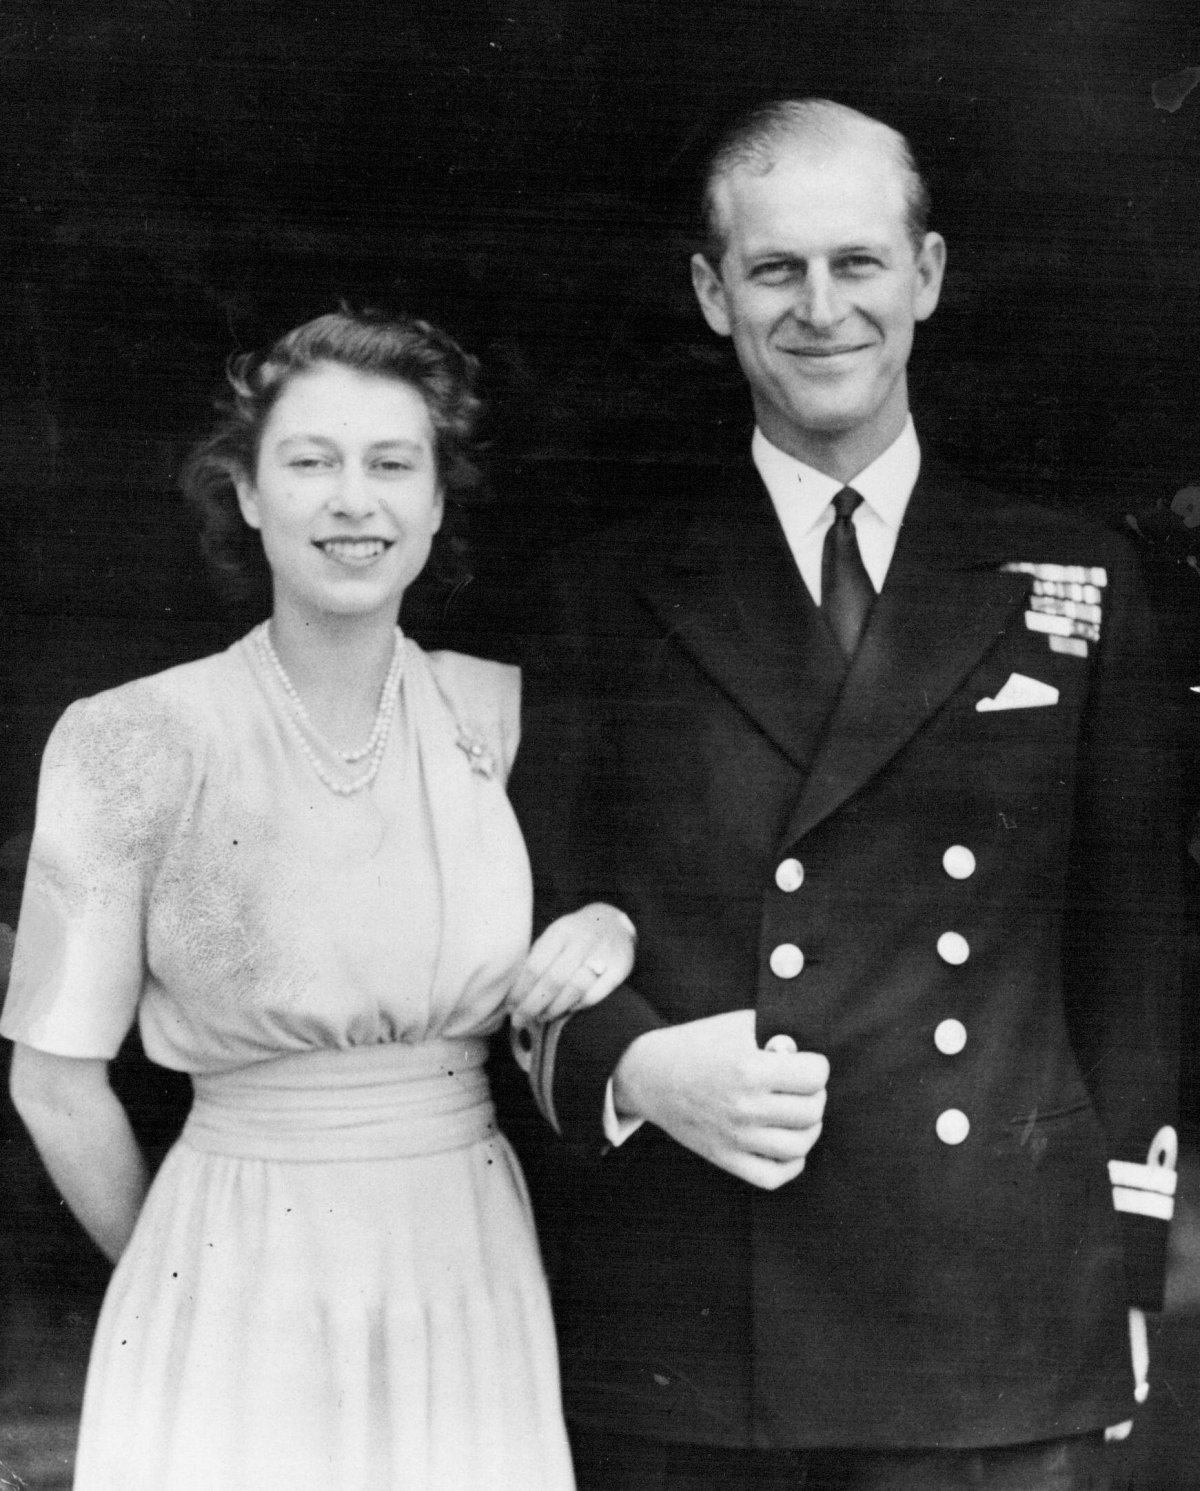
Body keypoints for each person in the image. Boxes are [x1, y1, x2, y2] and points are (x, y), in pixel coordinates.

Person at [511, 100, 1181, 1490]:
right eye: (776, 269)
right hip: (702, 1310)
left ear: (924, 276)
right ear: (714, 294)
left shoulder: (1078, 578)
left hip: (991, 1312)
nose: (822, 310)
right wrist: (634, 1068)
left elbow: (1131, 959)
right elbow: (521, 911)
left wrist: (1121, 1273)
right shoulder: (607, 588)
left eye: (858, 263)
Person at [2, 310, 636, 1490]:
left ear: (437, 502)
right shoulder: (123, 739)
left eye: (393, 464)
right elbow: (52, 1081)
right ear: (248, 492)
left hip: (465, 1263)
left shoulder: (504, 716)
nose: (355, 501)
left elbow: (608, 920)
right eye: (310, 461)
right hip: (232, 1260)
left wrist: (610, 926)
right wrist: (179, 1283)